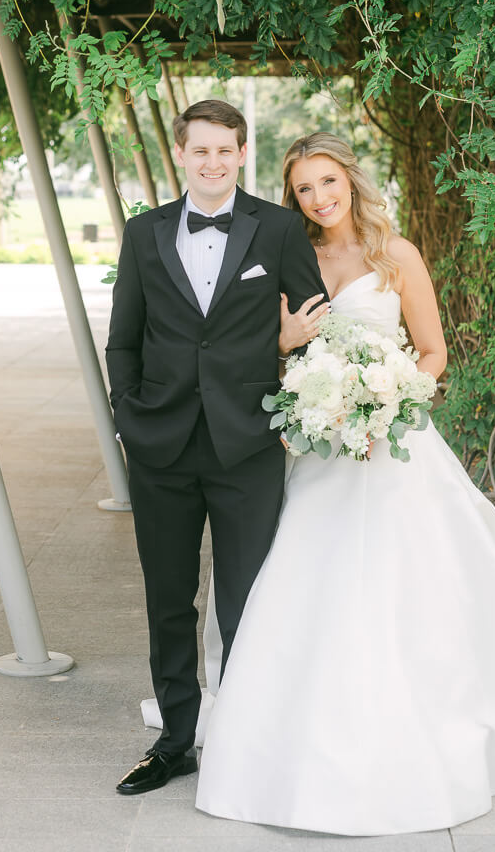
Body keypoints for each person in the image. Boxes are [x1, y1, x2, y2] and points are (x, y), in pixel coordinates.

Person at [194, 131, 495, 835]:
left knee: (418, 583)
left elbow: (431, 352)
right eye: (304, 188)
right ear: (291, 196)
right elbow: (269, 345)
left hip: (393, 447)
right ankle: (301, 731)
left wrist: (388, 403)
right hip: (320, 445)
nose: (319, 198)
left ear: (350, 180)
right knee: (305, 579)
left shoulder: (395, 256)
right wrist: (293, 364)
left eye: (327, 182)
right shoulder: (289, 256)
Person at [105, 100, 327, 796]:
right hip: (161, 449)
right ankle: (175, 743)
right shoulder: (143, 234)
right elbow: (123, 338)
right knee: (169, 600)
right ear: (181, 154)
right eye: (199, 150)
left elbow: (317, 329)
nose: (212, 163)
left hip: (247, 447)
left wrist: (285, 346)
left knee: (245, 601)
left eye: (224, 151)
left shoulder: (281, 228)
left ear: (241, 153)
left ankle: (246, 740)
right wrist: (128, 418)